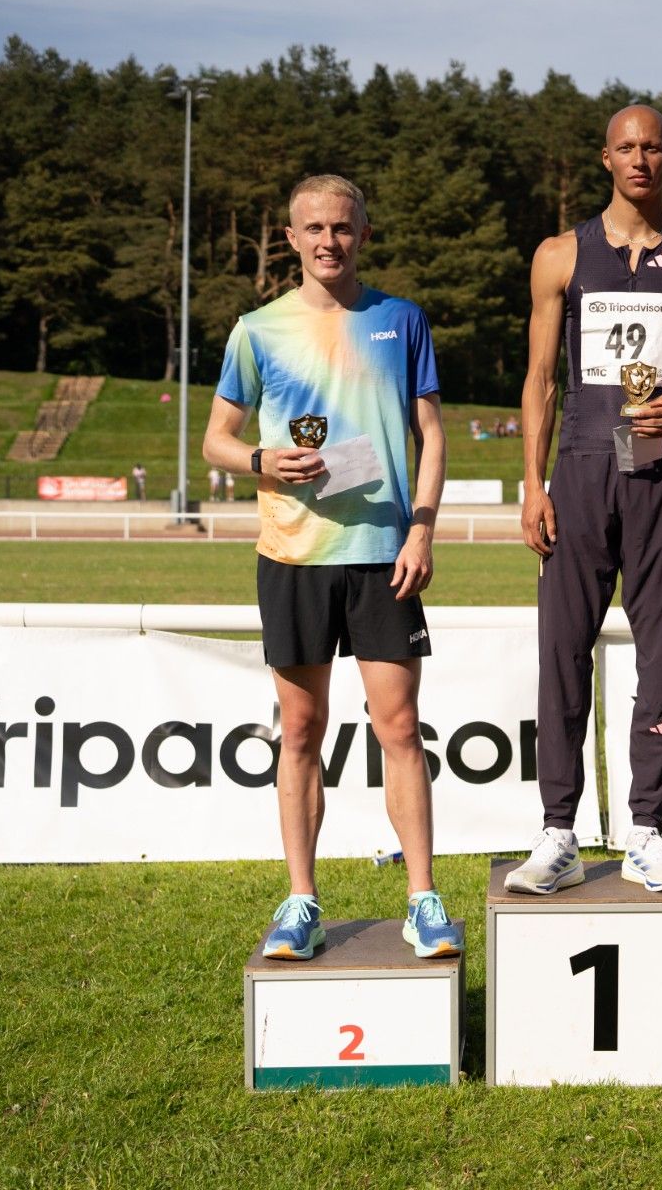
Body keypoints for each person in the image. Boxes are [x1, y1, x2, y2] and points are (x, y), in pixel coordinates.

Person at [201, 173, 461, 962]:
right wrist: (260, 461)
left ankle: (423, 900)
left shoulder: (400, 320)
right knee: (302, 732)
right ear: (290, 238)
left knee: (401, 728)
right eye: (313, 228)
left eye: (342, 228)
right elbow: (215, 437)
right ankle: (302, 902)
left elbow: (432, 437)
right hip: (294, 555)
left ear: (364, 234)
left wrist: (421, 531)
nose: (328, 241)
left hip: (384, 554)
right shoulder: (257, 329)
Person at [508, 104, 662, 893]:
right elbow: (539, 380)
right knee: (562, 654)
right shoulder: (560, 255)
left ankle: (646, 831)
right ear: (605, 158)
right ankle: (558, 832)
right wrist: (531, 486)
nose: (640, 159)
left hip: (660, 475)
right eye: (626, 147)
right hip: (578, 471)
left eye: (653, 147)